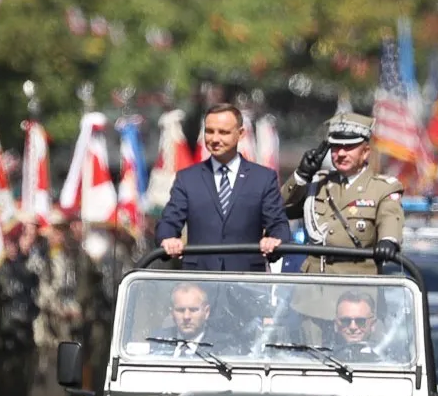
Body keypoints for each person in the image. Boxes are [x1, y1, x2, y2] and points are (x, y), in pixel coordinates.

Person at [155, 103, 289, 271]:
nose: (215, 139)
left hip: (247, 283)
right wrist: (168, 239)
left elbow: (278, 224)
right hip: (200, 285)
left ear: (240, 134)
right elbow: (168, 222)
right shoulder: (187, 178)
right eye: (210, 131)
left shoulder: (263, 178)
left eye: (223, 132)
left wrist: (274, 240)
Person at [282, 113, 405, 274]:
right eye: (336, 147)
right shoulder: (318, 183)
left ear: (366, 152)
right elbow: (280, 207)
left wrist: (388, 241)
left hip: (356, 286)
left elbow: (390, 217)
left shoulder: (383, 188)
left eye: (348, 147)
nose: (341, 154)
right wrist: (301, 175)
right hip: (313, 286)